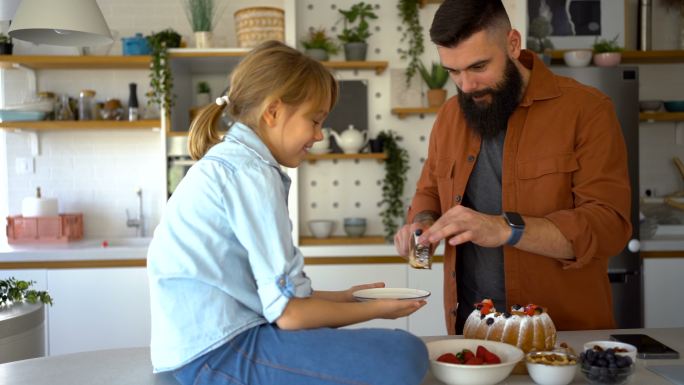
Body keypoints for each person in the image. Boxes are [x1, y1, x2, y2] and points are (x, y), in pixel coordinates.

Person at [147, 41, 428, 385]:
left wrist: (346, 298)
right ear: (274, 111)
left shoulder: (235, 163)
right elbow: (289, 314)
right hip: (215, 355)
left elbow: (276, 298)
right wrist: (377, 309)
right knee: (404, 353)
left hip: (198, 351)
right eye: (315, 120)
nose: (319, 134)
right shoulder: (251, 174)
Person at [394, 0, 631, 335]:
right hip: (471, 333)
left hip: (564, 336)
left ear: (513, 44)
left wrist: (507, 229)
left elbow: (609, 227)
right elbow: (429, 192)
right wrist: (421, 226)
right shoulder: (450, 115)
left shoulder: (588, 110)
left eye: (477, 67)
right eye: (453, 71)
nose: (465, 85)